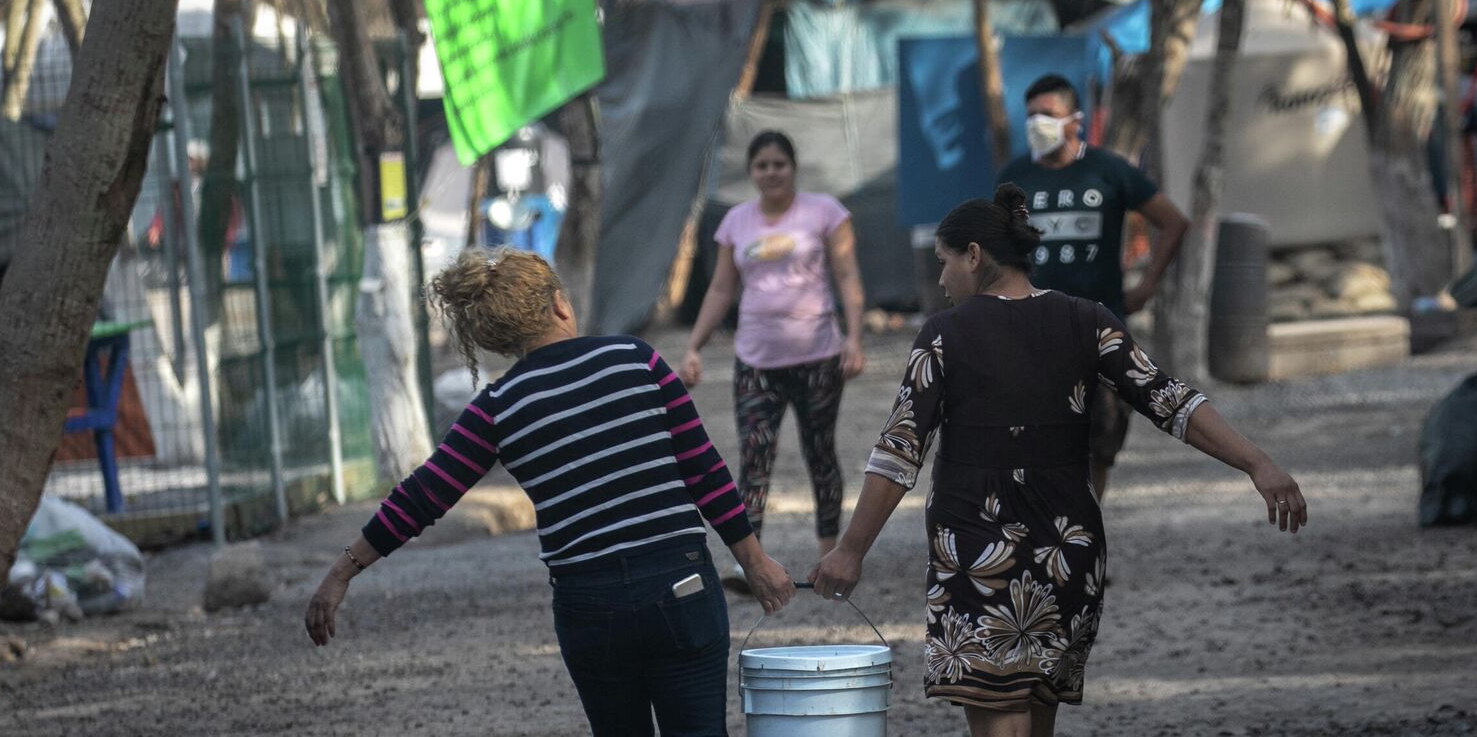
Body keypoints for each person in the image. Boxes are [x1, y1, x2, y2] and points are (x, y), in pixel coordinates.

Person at [807, 185, 1307, 737]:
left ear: (974, 255)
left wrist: (851, 549)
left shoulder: (943, 336)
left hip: (976, 547)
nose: (943, 280)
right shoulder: (1087, 321)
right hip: (1069, 552)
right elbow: (1172, 402)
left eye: (945, 262)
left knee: (999, 715)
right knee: (1033, 718)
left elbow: (900, 451)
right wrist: (1258, 462)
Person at [305, 247, 796, 736]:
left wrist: (341, 572)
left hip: (590, 604)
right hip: (680, 586)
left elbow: (421, 498)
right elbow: (704, 471)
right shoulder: (636, 360)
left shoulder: (496, 408)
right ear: (560, 305)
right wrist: (754, 562)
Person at [681, 130, 868, 591]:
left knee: (819, 451)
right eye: (762, 165)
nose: (771, 172)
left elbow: (847, 276)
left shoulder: (825, 212)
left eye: (779, 164)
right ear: (752, 172)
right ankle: (752, 562)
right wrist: (694, 346)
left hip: (819, 355)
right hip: (756, 360)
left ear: (793, 167)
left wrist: (854, 339)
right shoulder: (736, 223)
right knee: (754, 456)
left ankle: (830, 559)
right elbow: (722, 288)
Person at [997, 74, 1194, 501]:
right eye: (1030, 115)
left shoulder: (1107, 170)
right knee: (1036, 442)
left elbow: (1174, 222)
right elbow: (994, 249)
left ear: (1074, 121)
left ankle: (1082, 538)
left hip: (1098, 332)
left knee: (1100, 441)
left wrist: (1147, 285)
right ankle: (1047, 538)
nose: (1035, 124)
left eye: (1046, 115)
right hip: (1031, 331)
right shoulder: (1014, 177)